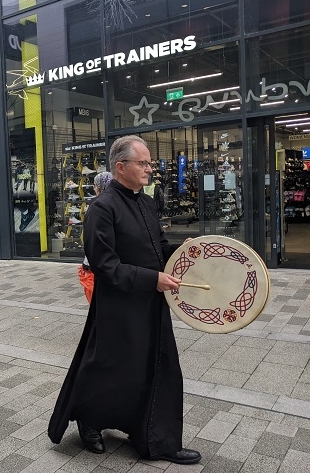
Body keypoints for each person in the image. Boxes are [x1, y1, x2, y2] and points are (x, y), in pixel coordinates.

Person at [48, 135, 200, 465]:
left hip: (150, 304)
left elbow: (158, 247)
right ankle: (89, 420)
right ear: (121, 167)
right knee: (112, 369)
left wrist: (182, 249)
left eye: (150, 163)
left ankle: (155, 439)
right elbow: (105, 265)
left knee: (156, 369)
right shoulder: (102, 209)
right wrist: (152, 279)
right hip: (118, 309)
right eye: (143, 163)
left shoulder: (145, 202)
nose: (150, 168)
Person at [78, 171, 112, 303]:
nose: (93, 188)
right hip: (107, 267)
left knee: (98, 307)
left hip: (95, 268)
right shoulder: (118, 203)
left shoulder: (97, 205)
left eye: (95, 185)